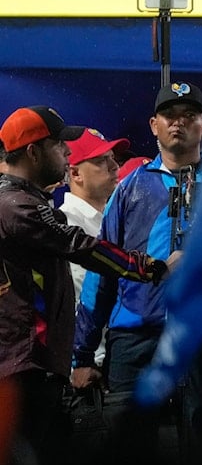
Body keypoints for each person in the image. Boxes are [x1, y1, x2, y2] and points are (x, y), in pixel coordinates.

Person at [71, 83, 202, 465]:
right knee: (128, 463)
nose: (178, 121)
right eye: (169, 114)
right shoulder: (128, 190)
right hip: (134, 340)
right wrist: (83, 354)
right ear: (154, 125)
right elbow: (100, 276)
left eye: (188, 114)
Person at [0, 105, 171, 465]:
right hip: (23, 364)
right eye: (60, 146)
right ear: (33, 152)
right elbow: (79, 245)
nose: (65, 154)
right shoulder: (15, 206)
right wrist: (152, 268)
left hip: (32, 363)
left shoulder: (21, 202)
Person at [60, 128, 130, 370]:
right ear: (75, 172)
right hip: (88, 365)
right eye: (101, 160)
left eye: (113, 158)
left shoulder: (112, 221)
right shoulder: (65, 224)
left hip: (116, 359)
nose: (114, 167)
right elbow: (79, 300)